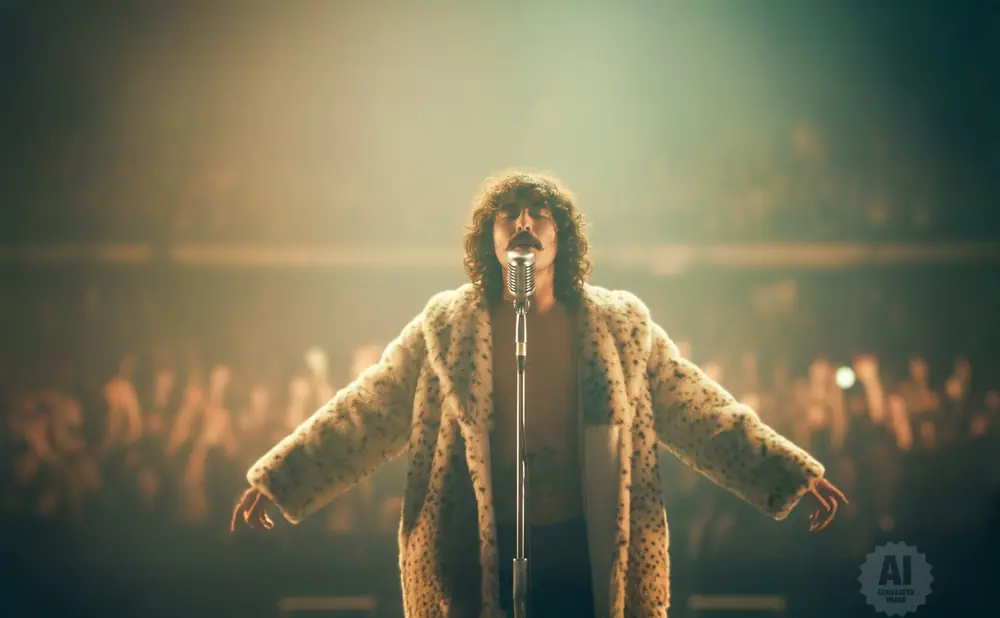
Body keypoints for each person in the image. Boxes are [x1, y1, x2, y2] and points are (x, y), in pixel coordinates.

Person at [231, 170, 847, 618]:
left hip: (587, 549)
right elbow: (368, 409)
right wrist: (282, 476)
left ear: (564, 236)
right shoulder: (446, 326)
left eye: (539, 212)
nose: (524, 223)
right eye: (510, 213)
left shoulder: (620, 326)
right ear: (490, 238)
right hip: (475, 554)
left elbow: (700, 408)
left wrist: (787, 471)